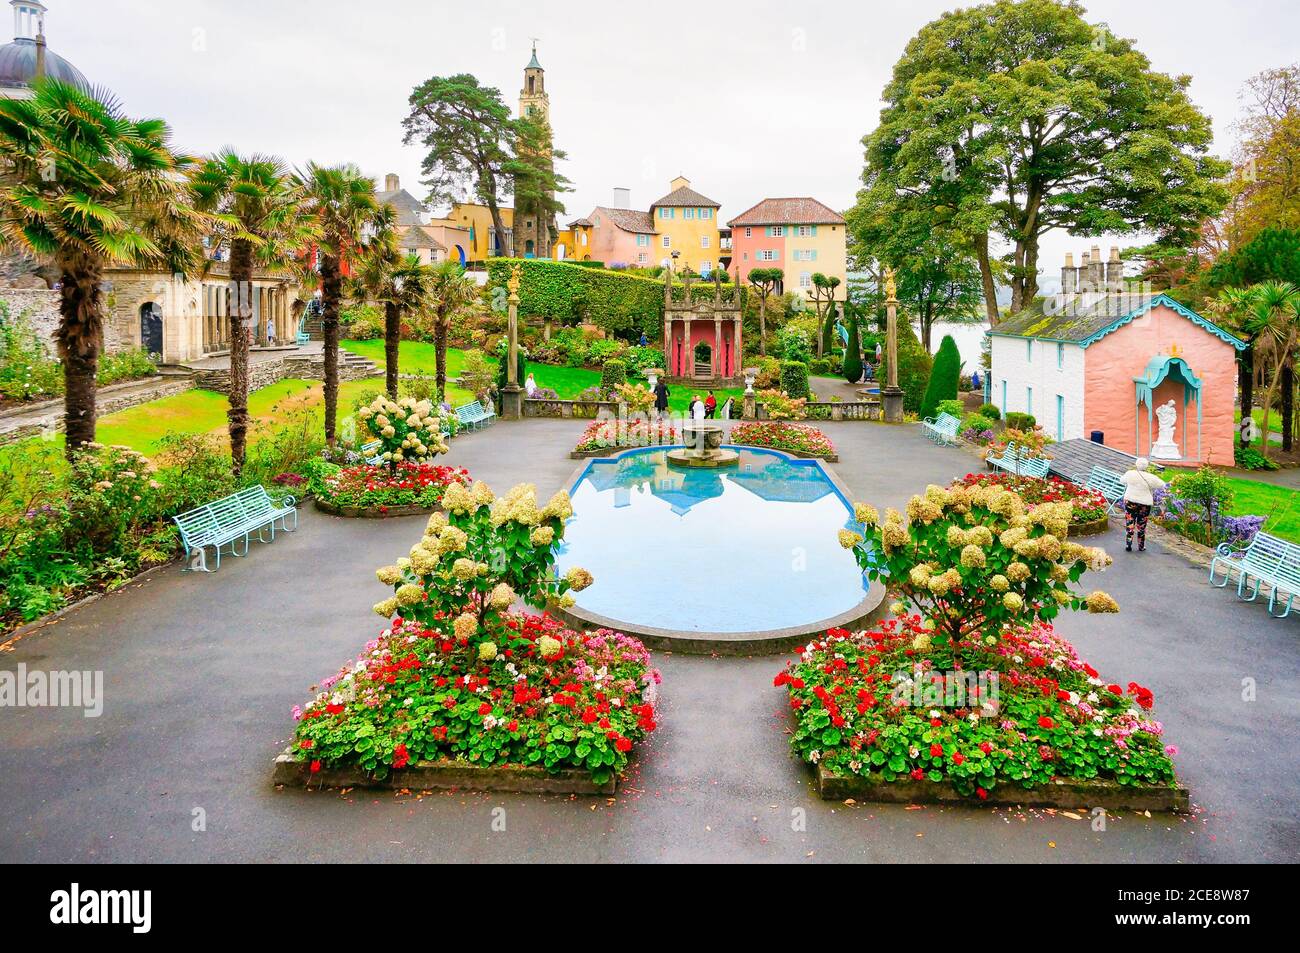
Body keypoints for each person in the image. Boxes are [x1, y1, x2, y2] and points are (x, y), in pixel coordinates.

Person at [1120, 457, 1165, 552]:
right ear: (1146, 466)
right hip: (1144, 503)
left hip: (1130, 500)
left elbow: (1122, 480)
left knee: (1130, 522)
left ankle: (1128, 543)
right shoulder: (1151, 477)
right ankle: (1141, 545)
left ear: (1136, 464)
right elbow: (1162, 484)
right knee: (1142, 524)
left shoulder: (1130, 473)